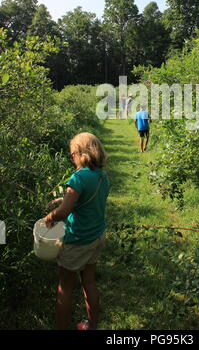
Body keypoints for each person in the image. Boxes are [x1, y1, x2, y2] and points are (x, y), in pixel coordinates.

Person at [43, 132, 110, 330]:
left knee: (65, 287)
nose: (71, 158)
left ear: (81, 153)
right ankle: (92, 325)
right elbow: (86, 200)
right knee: (89, 281)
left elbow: (63, 212)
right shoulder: (102, 176)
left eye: (72, 154)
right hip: (96, 236)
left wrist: (50, 217)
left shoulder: (78, 177)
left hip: (77, 240)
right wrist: (62, 200)